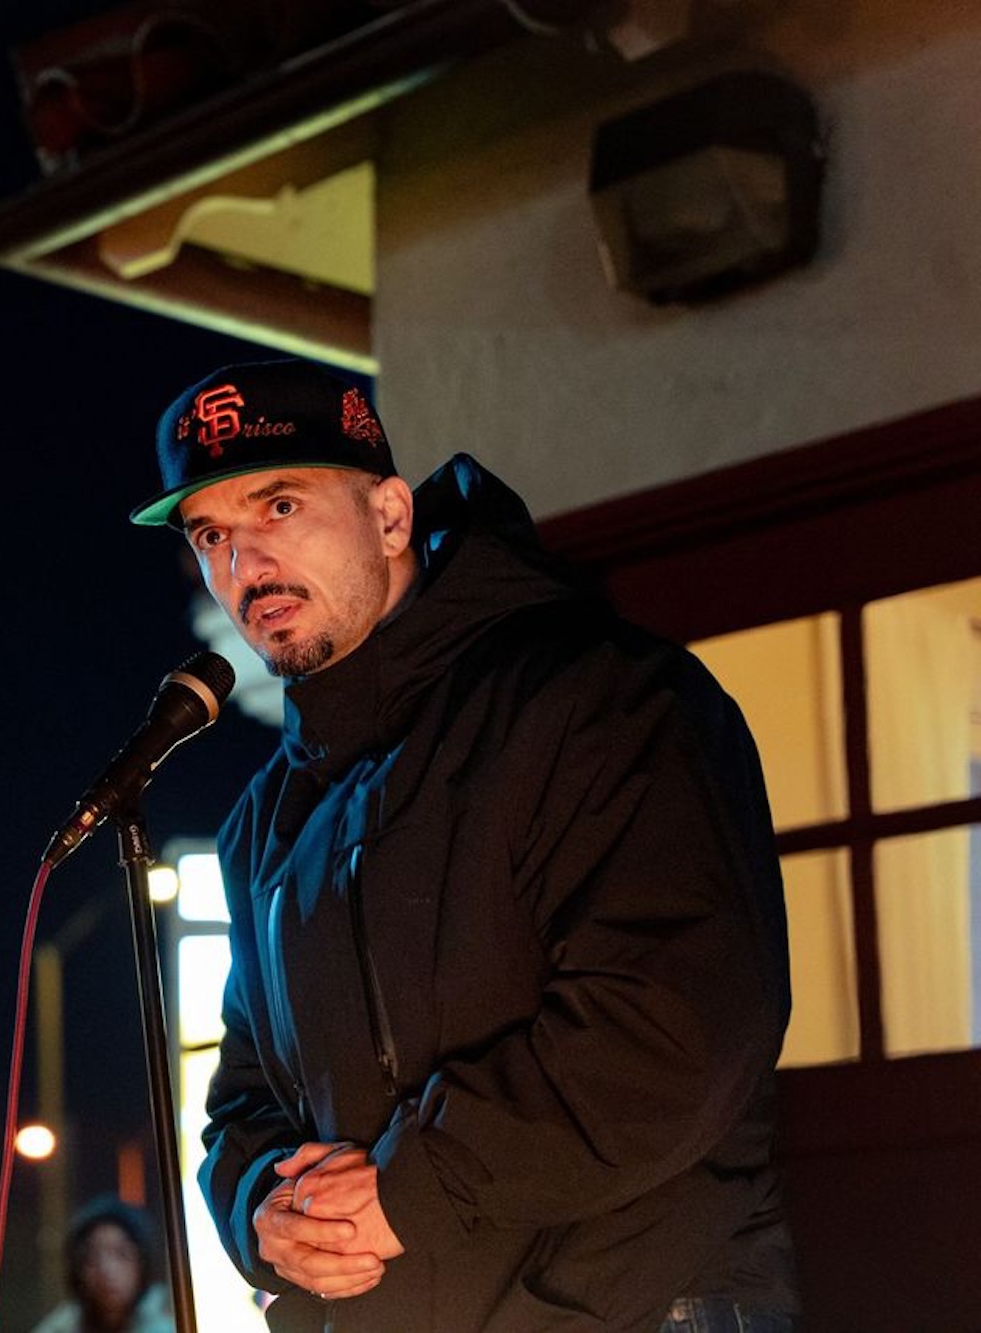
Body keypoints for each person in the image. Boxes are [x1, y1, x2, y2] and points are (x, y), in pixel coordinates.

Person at [128, 358, 798, 1331]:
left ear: (390, 517)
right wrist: (260, 1216)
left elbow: (671, 1028)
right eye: (211, 535)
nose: (245, 565)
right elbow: (242, 1101)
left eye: (279, 505)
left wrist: (409, 1190)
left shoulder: (598, 699)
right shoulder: (264, 825)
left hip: (636, 1306)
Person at [30, 1195, 176, 1333]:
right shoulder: (61, 1327)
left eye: (122, 1254)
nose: (106, 1270)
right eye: (92, 1258)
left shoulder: (173, 1318)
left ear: (142, 1262)